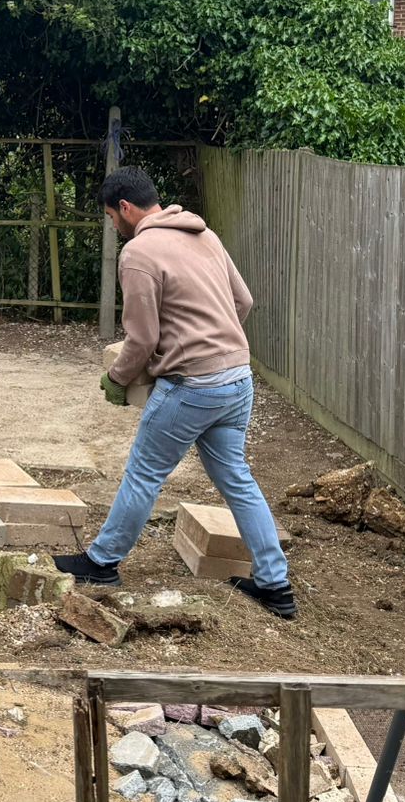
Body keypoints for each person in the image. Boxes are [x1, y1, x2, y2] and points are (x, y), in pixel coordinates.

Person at [54, 167, 296, 618]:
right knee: (237, 480)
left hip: (193, 386)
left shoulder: (139, 252)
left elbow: (142, 340)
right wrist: (212, 343)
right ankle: (275, 585)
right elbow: (242, 302)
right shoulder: (205, 235)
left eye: (111, 216)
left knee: (144, 472)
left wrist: (118, 379)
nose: (113, 225)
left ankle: (102, 562)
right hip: (238, 378)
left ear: (125, 208)